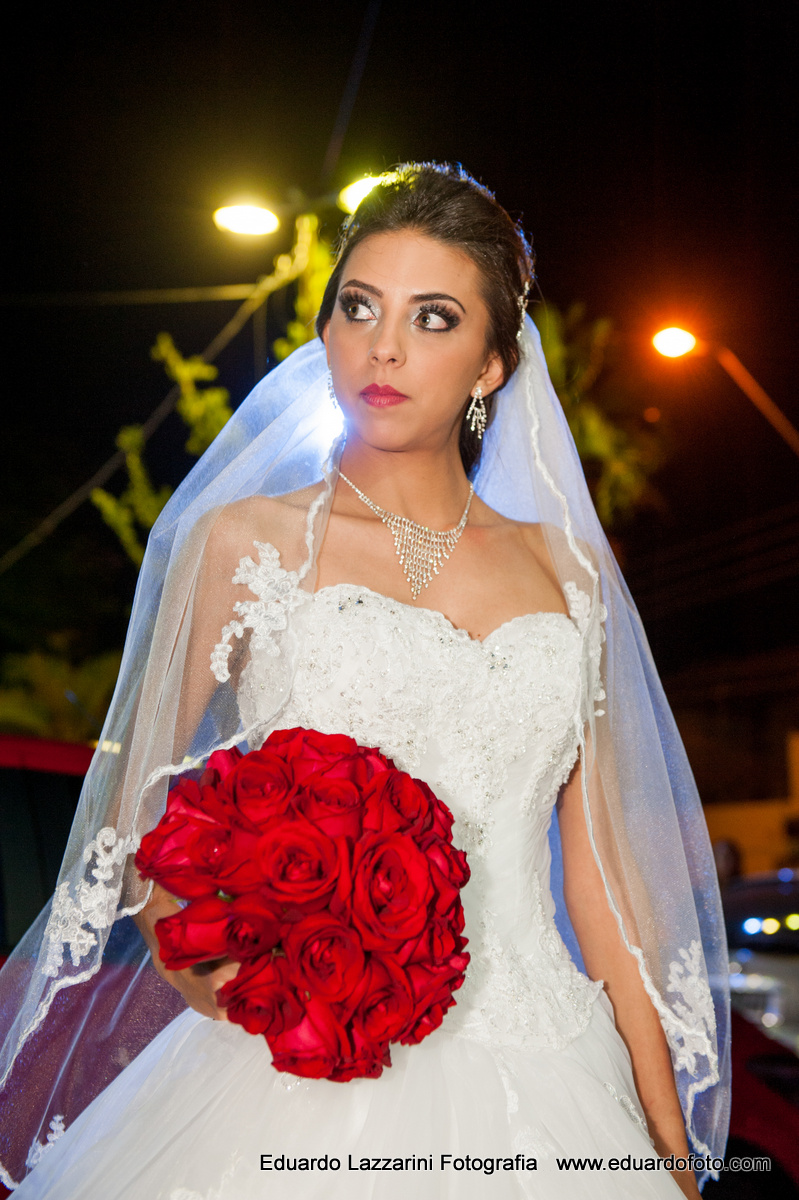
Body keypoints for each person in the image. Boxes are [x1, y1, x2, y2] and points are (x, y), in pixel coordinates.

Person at [0, 164, 729, 1198]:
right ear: (327, 332)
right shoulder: (243, 541)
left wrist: (664, 1139)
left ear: (491, 365)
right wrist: (187, 942)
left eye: (433, 318)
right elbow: (137, 803)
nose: (383, 346)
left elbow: (604, 884)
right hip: (295, 1061)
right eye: (358, 307)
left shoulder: (565, 569)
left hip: (545, 1066)